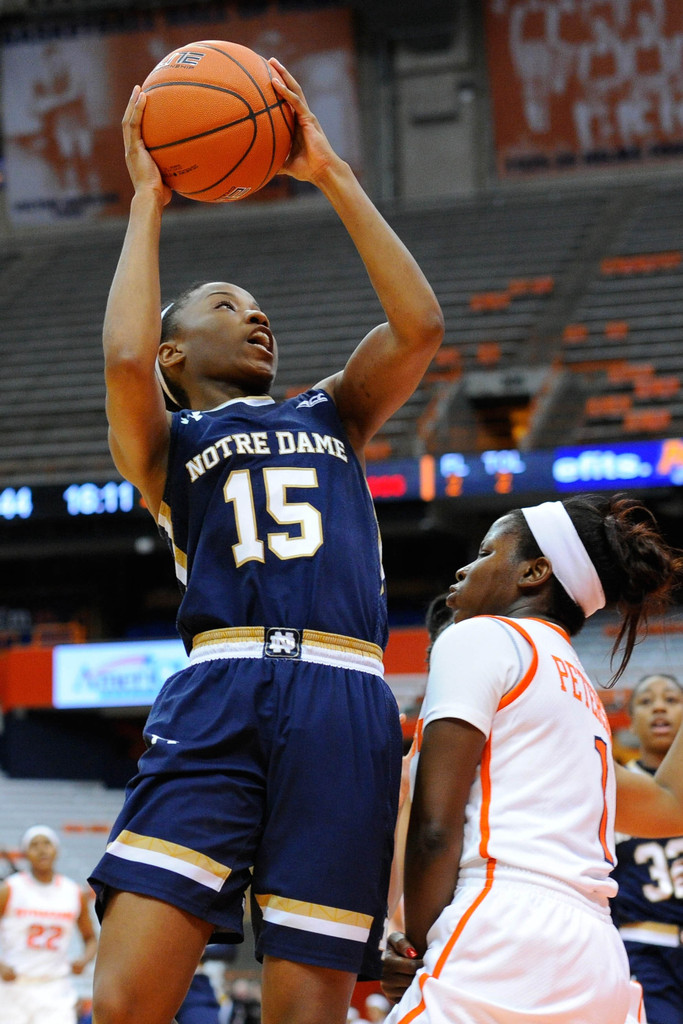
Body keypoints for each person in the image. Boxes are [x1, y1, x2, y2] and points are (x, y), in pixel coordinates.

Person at [88, 56, 444, 1024]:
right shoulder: (165, 442)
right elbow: (121, 356)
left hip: (343, 692)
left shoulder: (333, 410)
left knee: (305, 1011)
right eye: (223, 304)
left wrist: (329, 172)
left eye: (258, 307)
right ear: (174, 353)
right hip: (223, 685)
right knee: (124, 1000)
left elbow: (417, 325)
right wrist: (147, 200)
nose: (254, 315)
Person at [381, 494, 683, 1024]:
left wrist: (421, 946)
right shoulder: (579, 689)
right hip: (598, 954)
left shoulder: (479, 636)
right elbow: (668, 804)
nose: (464, 568)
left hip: (503, 922)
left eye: (485, 553)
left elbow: (433, 830)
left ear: (534, 572)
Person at [611, 673, 683, 1024]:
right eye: (646, 701)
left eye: (671, 700)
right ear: (630, 721)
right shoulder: (613, 788)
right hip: (644, 949)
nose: (659, 707)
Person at [0, 825, 98, 1024]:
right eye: (34, 845)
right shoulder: (9, 889)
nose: (41, 849)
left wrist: (84, 960)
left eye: (47, 843)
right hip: (12, 986)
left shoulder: (74, 892)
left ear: (56, 850)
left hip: (55, 988)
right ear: (25, 853)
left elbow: (90, 938)